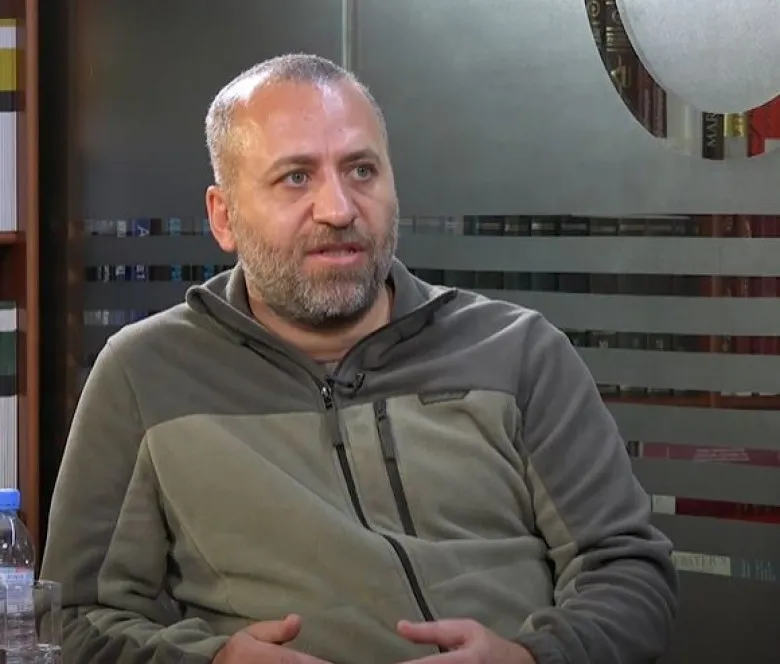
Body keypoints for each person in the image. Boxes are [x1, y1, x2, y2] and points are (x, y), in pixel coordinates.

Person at [40, 53, 678, 664]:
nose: (339, 209)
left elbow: (627, 571)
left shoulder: (519, 351)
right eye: (296, 177)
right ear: (224, 216)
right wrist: (209, 661)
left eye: (362, 171)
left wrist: (534, 657)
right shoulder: (145, 374)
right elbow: (74, 620)